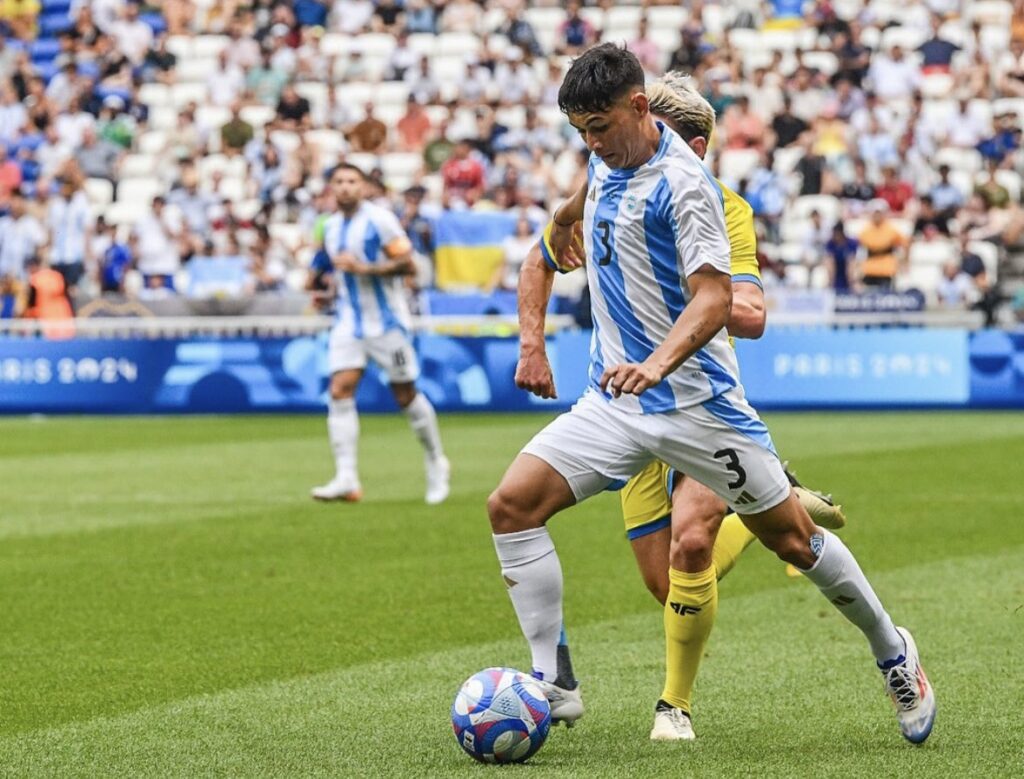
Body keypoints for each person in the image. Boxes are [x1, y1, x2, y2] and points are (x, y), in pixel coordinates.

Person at [490, 44, 934, 746]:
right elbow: (567, 215)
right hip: (613, 403)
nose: (591, 143)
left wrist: (657, 363)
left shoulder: (688, 187)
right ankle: (555, 682)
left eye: (599, 127)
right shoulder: (601, 160)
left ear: (640, 107)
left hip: (697, 405)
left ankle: (893, 648)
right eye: (581, 131)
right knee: (511, 506)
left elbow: (715, 300)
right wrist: (563, 239)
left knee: (794, 538)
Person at [601, 72, 848, 740]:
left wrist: (688, 298)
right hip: (631, 403)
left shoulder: (722, 206)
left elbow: (751, 312)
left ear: (698, 146)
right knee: (670, 584)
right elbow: (551, 246)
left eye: (667, 138)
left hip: (704, 399)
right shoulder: (610, 182)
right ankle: (781, 502)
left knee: (690, 541)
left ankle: (672, 707)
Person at [310, 164, 450, 505]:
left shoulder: (379, 220)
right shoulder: (329, 227)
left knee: (405, 394)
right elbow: (340, 275)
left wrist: (366, 269)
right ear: (331, 188)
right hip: (348, 322)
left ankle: (436, 461)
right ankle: (346, 477)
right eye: (339, 182)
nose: (345, 188)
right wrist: (327, 291)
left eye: (352, 182)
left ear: (363, 187)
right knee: (339, 390)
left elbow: (409, 266)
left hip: (387, 323)